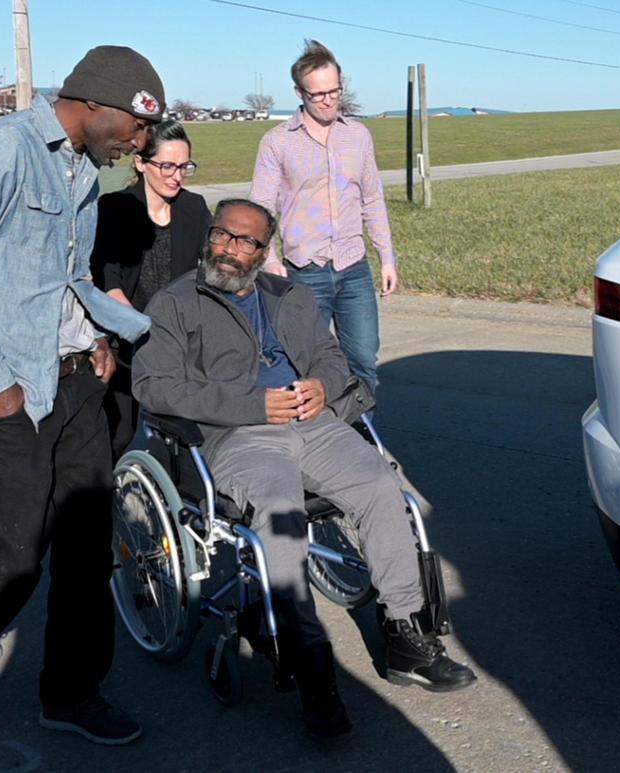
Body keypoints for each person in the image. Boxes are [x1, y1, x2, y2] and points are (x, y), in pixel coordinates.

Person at [132, 199, 475, 740]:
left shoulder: (289, 296)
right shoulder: (174, 304)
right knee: (282, 513)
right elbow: (153, 387)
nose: (230, 250)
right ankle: (310, 662)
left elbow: (331, 358)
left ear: (263, 252)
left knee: (383, 489)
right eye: (223, 236)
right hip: (239, 437)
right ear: (210, 236)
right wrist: (251, 405)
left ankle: (408, 635)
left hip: (313, 425)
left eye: (246, 243)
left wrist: (321, 385)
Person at [0, 45, 166, 745]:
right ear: (93, 105)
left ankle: (72, 690)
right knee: (19, 547)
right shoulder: (5, 150)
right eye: (135, 127)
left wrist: (101, 332)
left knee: (89, 548)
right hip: (8, 389)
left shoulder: (82, 168)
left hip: (76, 377)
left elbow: (67, 273)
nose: (139, 143)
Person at [250, 39, 396, 397]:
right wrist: (269, 260)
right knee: (309, 366)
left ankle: (360, 441)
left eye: (335, 91)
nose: (330, 100)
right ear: (299, 93)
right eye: (319, 95)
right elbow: (261, 208)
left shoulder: (358, 136)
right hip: (304, 272)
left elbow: (373, 198)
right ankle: (322, 442)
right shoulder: (277, 142)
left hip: (353, 268)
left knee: (363, 361)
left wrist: (387, 257)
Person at [91, 119, 211, 458]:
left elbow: (211, 272)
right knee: (118, 434)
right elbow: (107, 280)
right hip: (126, 342)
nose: (177, 175)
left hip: (180, 343)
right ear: (141, 163)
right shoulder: (114, 209)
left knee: (186, 435)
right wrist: (143, 333)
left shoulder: (194, 208)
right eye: (167, 165)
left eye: (185, 166)